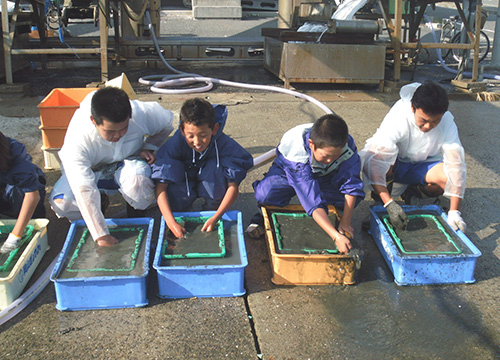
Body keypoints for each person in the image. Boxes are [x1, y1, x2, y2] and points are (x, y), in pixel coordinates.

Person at [49, 86, 174, 247]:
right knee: (62, 202)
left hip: (127, 162)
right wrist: (101, 234)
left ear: (130, 116)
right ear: (94, 120)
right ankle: (99, 206)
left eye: (123, 129)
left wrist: (149, 146)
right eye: (110, 131)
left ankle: (138, 214)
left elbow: (167, 122)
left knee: (139, 186)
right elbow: (83, 187)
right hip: (93, 171)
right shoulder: (77, 139)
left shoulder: (141, 112)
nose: (117, 135)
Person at [359, 81, 467, 232]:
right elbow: (376, 159)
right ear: (412, 108)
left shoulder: (447, 120)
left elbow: (456, 162)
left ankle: (412, 194)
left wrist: (454, 211)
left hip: (422, 166)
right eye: (423, 120)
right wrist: (388, 204)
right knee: (380, 155)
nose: (428, 126)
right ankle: (379, 206)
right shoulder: (400, 114)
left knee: (448, 177)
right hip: (395, 166)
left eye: (435, 121)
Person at [252, 114, 365, 254]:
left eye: (335, 156)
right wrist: (336, 237)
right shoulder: (296, 150)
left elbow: (351, 185)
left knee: (350, 200)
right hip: (289, 172)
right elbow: (312, 201)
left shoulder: (346, 146)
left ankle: (334, 219)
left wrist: (346, 221)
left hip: (325, 175)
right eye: (326, 156)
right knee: (266, 194)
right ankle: (261, 215)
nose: (330, 159)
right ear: (311, 144)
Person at [152, 98, 253, 237]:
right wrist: (170, 222)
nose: (197, 142)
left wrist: (216, 217)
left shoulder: (225, 145)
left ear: (215, 129)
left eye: (203, 135)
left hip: (209, 178)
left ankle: (212, 207)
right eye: (191, 136)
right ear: (182, 130)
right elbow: (161, 187)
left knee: (216, 170)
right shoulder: (173, 146)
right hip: (185, 178)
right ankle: (182, 211)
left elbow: (233, 187)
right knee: (171, 178)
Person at [0, 132, 46, 253]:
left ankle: (25, 227)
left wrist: (14, 236)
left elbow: (32, 195)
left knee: (19, 192)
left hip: (19, 191)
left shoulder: (15, 157)